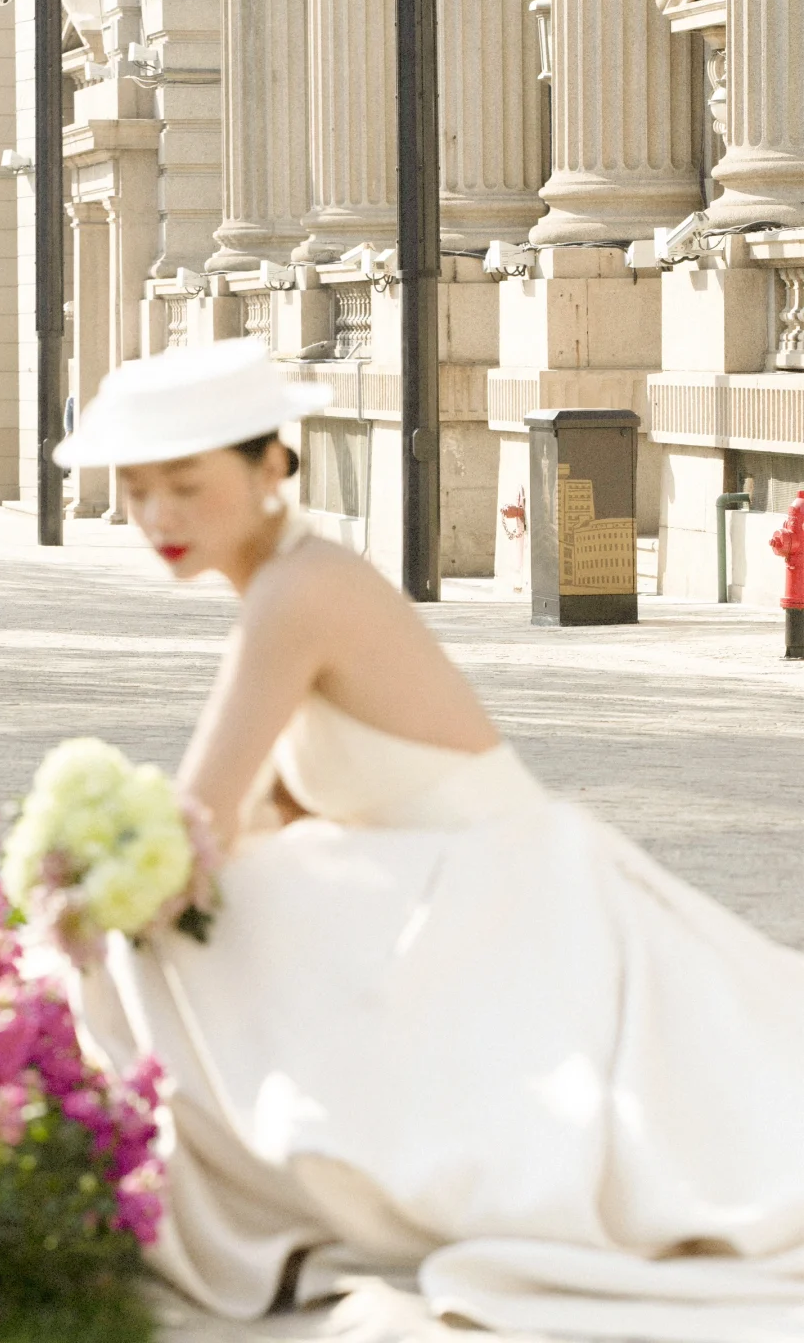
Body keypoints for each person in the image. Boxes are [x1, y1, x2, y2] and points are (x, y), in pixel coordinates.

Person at [53, 338, 804, 1343]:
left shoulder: (297, 593)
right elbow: (261, 819)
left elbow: (200, 820)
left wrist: (77, 890)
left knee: (147, 945)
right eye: (137, 489)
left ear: (272, 465)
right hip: (474, 889)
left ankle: (139, 1181)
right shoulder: (289, 576)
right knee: (212, 914)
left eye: (185, 486)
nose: (157, 518)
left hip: (505, 903)